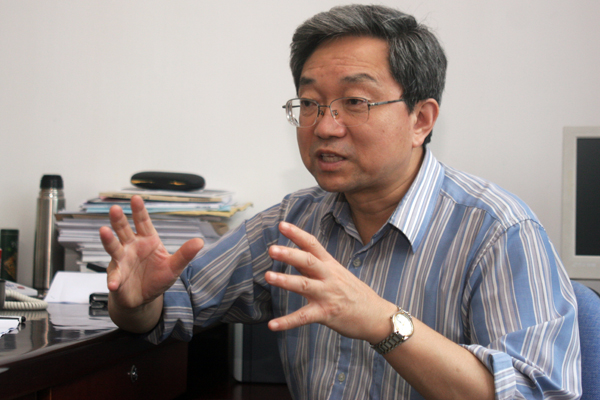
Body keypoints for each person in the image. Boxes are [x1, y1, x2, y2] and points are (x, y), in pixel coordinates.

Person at [100, 5, 581, 400]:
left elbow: (538, 393)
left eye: (355, 102)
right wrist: (135, 300)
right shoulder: (292, 222)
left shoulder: (498, 231)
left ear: (421, 119)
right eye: (310, 103)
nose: (325, 126)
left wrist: (382, 322)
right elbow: (176, 306)